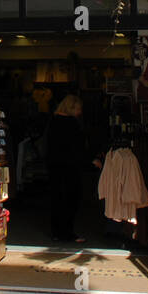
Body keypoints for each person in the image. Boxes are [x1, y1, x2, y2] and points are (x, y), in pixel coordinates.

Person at [46, 94, 101, 244]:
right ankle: (67, 233)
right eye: (78, 108)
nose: (80, 112)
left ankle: (57, 232)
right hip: (70, 168)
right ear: (72, 108)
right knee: (71, 200)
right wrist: (90, 161)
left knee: (57, 199)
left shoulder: (53, 121)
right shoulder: (72, 124)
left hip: (55, 166)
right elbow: (78, 148)